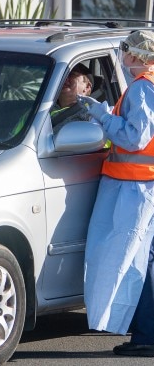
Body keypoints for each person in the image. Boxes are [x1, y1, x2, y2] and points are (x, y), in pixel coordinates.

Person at [79, 30, 154, 358]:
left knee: (132, 260)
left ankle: (146, 336)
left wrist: (101, 116)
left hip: (134, 187)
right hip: (142, 184)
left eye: (125, 51)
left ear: (136, 56)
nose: (122, 57)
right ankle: (146, 333)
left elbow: (135, 139)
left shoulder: (141, 88)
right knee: (144, 261)